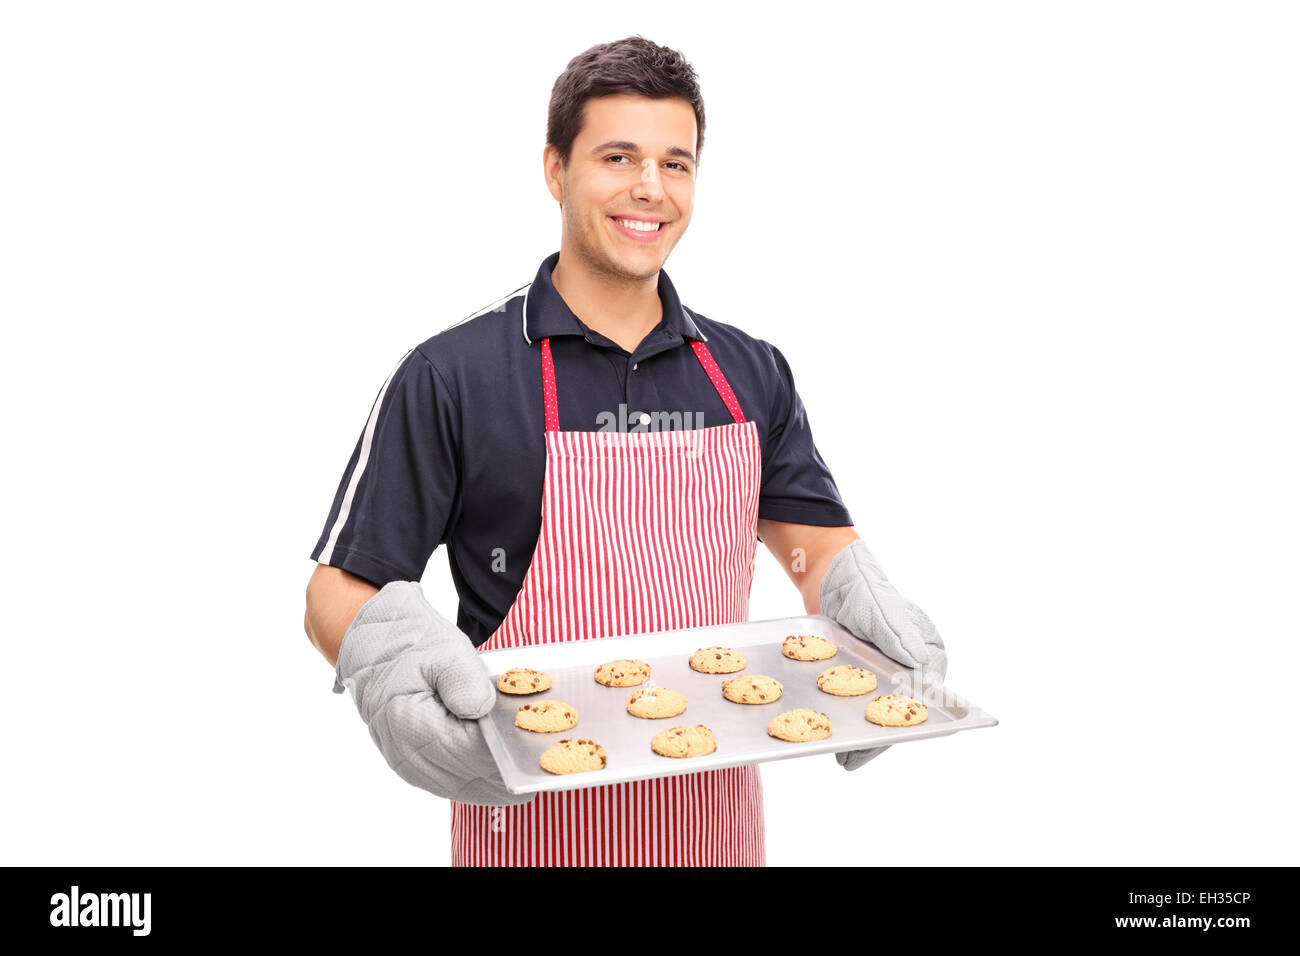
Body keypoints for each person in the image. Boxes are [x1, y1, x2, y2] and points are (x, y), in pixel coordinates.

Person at [303, 35, 947, 867]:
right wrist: (385, 659)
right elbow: (339, 586)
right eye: (618, 156)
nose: (651, 188)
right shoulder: (452, 375)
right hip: (528, 831)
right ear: (554, 169)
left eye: (675, 163)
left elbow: (811, 543)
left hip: (716, 828)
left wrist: (865, 600)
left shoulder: (749, 372)